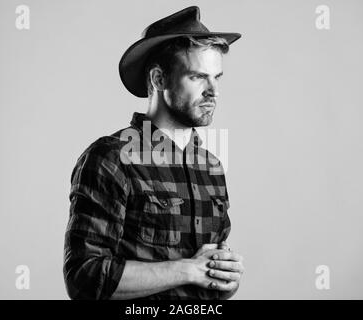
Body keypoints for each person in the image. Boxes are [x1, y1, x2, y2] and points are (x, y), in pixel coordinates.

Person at [63, 6, 244, 300]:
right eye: (198, 77)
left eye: (217, 77)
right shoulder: (112, 159)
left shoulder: (211, 167)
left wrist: (224, 278)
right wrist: (189, 270)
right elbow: (85, 278)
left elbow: (208, 280)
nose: (214, 91)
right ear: (159, 79)